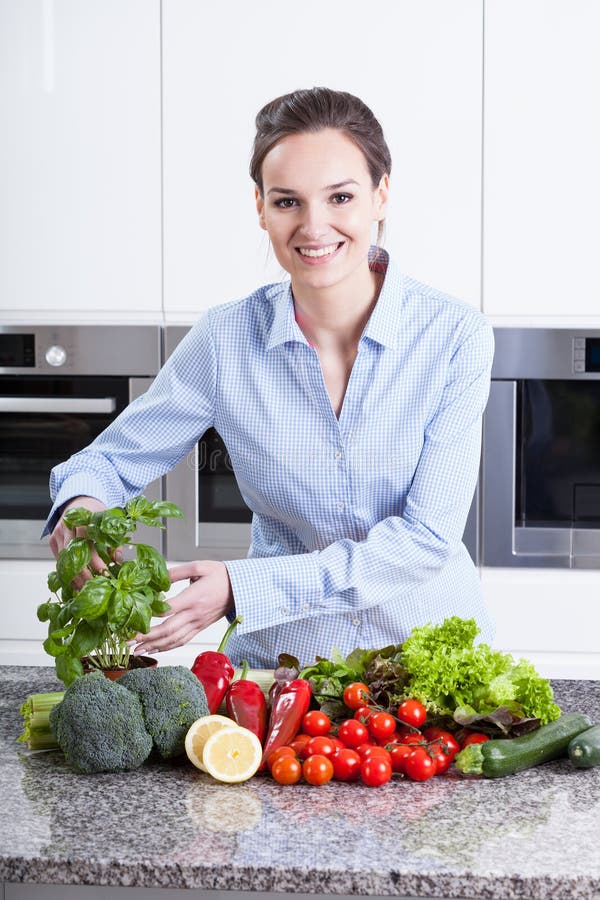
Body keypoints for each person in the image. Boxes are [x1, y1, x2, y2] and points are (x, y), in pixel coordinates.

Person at [46, 86, 495, 668]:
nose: (314, 226)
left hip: (430, 665)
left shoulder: (453, 335)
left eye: (340, 197)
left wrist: (241, 587)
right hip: (281, 668)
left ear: (381, 195)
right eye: (288, 202)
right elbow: (108, 461)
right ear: (259, 206)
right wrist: (82, 508)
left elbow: (427, 540)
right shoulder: (226, 339)